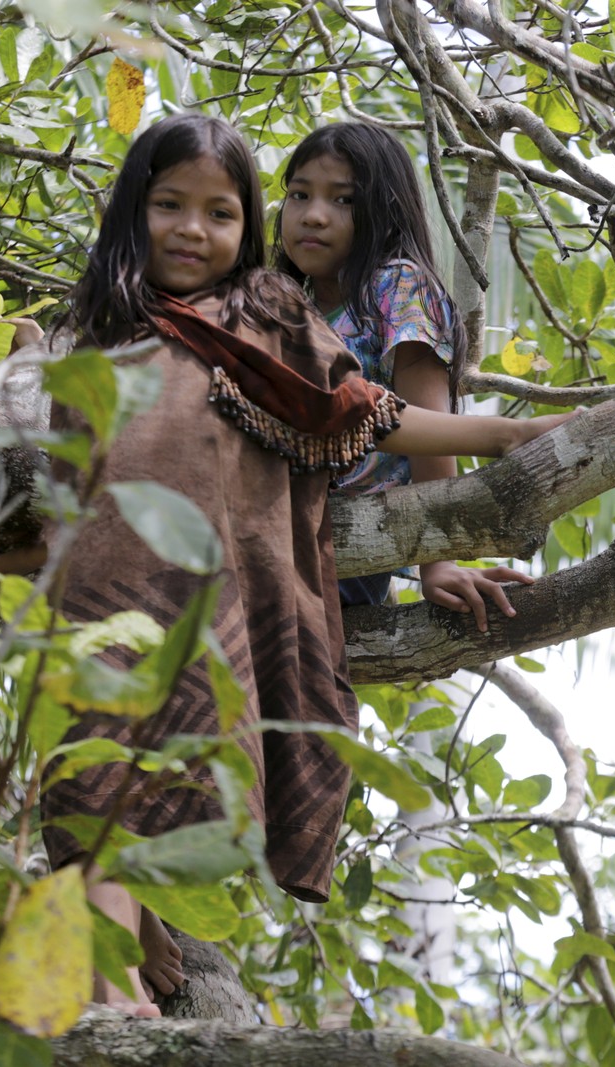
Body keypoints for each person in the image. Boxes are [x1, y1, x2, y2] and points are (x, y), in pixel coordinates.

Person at [32, 112, 574, 1016]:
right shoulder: (97, 320)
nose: (192, 230)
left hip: (206, 584)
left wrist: (509, 431)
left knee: (152, 768)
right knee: (92, 769)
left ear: (245, 231)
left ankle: (123, 975)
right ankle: (114, 986)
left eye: (219, 214)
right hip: (98, 579)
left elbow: (371, 410)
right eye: (169, 205)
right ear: (135, 209)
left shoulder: (267, 313)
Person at [275, 121, 533, 627]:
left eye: (343, 200)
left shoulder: (395, 285)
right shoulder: (284, 302)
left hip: (349, 533)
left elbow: (427, 426)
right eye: (299, 195)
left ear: (382, 211)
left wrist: (438, 560)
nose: (314, 216)